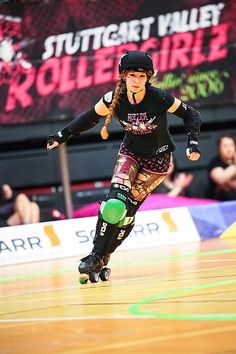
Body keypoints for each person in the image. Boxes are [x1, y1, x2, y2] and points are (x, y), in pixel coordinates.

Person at [47, 50, 201, 281]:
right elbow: (90, 117)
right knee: (113, 205)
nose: (136, 81)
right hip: (130, 154)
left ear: (149, 77)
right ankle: (94, 255)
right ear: (123, 77)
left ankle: (103, 257)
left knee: (126, 213)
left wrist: (193, 143)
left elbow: (192, 115)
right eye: (131, 75)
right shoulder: (114, 99)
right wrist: (63, 134)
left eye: (141, 76)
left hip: (157, 163)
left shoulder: (160, 98)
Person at [208, 133, 236, 201]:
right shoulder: (215, 163)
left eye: (231, 145)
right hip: (221, 202)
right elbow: (221, 179)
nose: (229, 149)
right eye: (225, 146)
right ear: (219, 148)